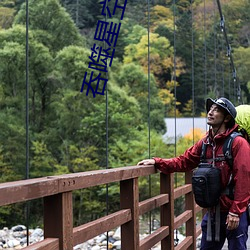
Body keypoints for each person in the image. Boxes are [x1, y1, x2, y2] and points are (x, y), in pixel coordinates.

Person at [137, 97, 250, 250]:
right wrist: (157, 162)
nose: (210, 112)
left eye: (216, 110)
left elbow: (244, 178)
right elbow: (184, 161)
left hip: (233, 211)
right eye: (210, 109)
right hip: (213, 211)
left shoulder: (238, 143)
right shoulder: (205, 143)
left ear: (227, 118)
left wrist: (236, 212)